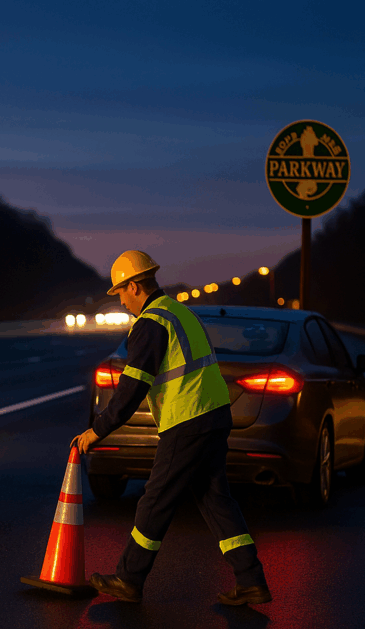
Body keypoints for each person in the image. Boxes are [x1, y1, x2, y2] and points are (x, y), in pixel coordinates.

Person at [71, 250, 271, 606]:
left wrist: (97, 430)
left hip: (187, 419)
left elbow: (132, 388)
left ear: (134, 286)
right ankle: (251, 579)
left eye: (120, 292)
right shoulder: (180, 312)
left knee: (156, 499)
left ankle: (129, 578)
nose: (120, 300)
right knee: (216, 500)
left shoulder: (150, 323)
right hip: (214, 415)